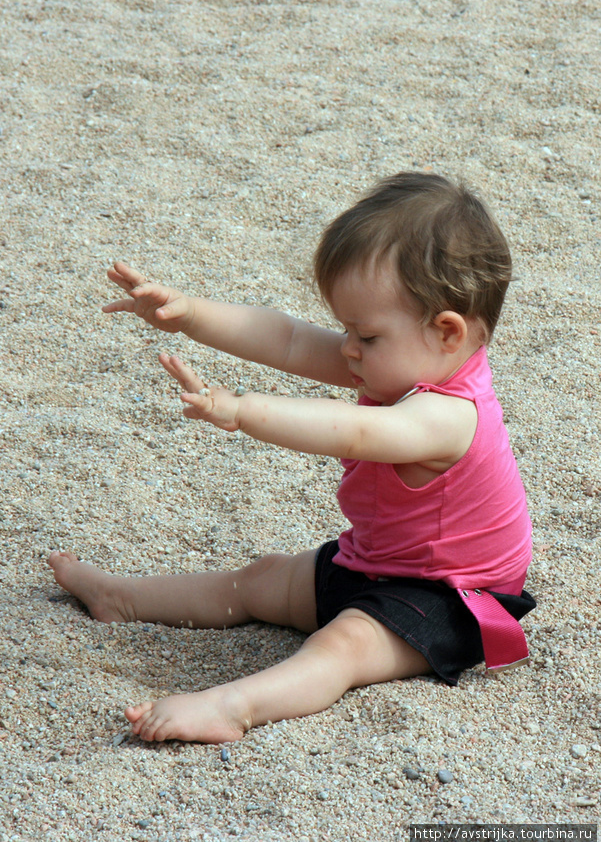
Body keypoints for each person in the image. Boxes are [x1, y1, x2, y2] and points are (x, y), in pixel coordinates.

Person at [48, 172, 536, 744]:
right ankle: (121, 597)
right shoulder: (402, 358)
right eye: (345, 329)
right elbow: (287, 340)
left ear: (447, 331)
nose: (348, 348)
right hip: (377, 561)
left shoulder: (449, 416)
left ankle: (233, 706)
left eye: (366, 335)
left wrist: (242, 410)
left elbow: (352, 432)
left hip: (452, 598)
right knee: (262, 578)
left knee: (344, 643)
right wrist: (189, 314)